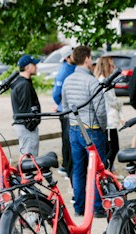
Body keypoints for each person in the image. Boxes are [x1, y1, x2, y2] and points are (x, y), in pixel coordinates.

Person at [61, 46, 107, 218]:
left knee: (79, 169)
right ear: (87, 59)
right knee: (96, 170)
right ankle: (97, 207)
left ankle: (79, 207)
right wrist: (103, 128)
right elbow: (100, 111)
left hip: (74, 129)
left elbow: (65, 107)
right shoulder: (92, 81)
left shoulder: (67, 80)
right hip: (92, 130)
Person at [94, 56, 125, 173]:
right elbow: (112, 100)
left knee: (110, 147)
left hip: (111, 119)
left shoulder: (106, 81)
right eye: (111, 65)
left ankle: (109, 169)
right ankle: (105, 170)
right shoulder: (103, 82)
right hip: (108, 120)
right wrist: (120, 106)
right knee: (113, 148)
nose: (113, 68)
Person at [11, 54, 42, 157]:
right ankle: (28, 173)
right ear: (27, 68)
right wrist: (32, 125)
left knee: (26, 157)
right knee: (29, 160)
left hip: (23, 126)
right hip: (27, 128)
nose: (36, 66)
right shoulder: (24, 85)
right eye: (34, 64)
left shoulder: (20, 82)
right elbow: (25, 109)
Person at [52, 45, 76, 180]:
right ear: (67, 57)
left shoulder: (72, 68)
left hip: (69, 110)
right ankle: (66, 167)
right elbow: (56, 94)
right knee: (68, 139)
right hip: (66, 111)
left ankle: (68, 166)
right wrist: (61, 104)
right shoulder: (64, 71)